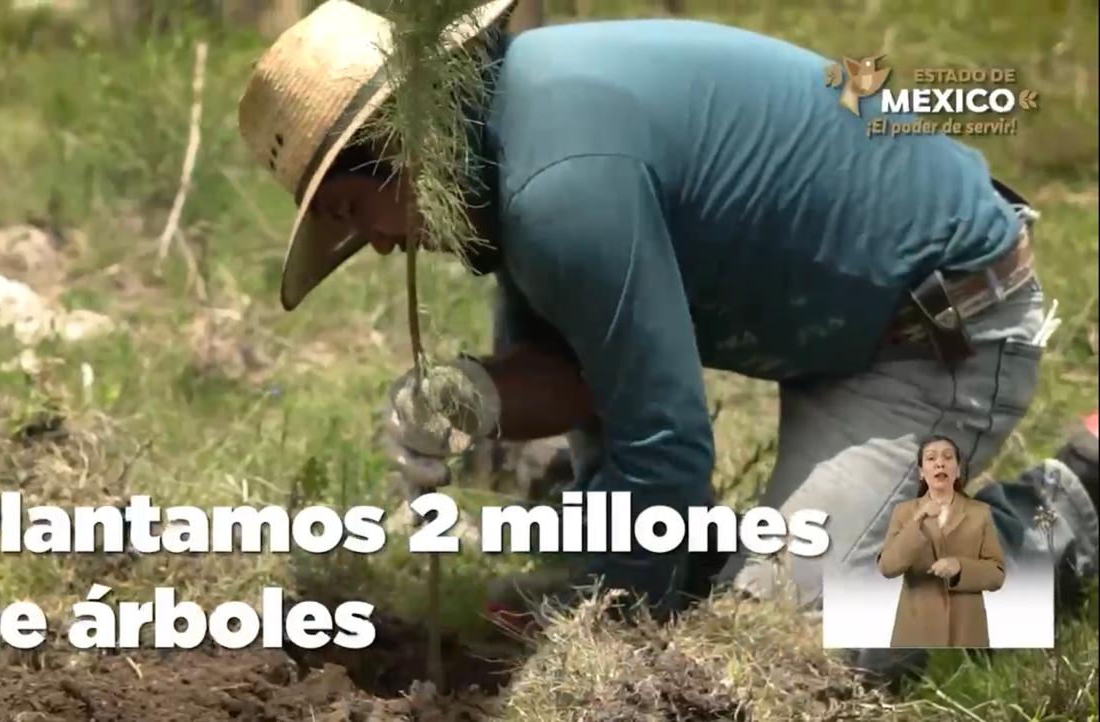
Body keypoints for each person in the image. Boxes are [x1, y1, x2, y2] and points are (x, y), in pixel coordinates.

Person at [235, 0, 1099, 667]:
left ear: (399, 147)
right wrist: (478, 397)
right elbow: (585, 374)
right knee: (531, 469)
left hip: (930, 329)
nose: (379, 243)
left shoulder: (560, 184)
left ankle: (1057, 527)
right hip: (824, 323)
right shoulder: (504, 140)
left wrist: (609, 641)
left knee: (797, 633)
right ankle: (719, 557)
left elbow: (666, 441)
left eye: (357, 210)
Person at [877, 435, 1006, 648]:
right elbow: (888, 567)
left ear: (957, 470)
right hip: (916, 631)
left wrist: (960, 567)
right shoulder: (904, 512)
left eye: (948, 457)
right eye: (930, 458)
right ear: (921, 472)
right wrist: (918, 521)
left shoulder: (980, 513)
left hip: (966, 632)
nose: (940, 463)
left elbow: (997, 574)